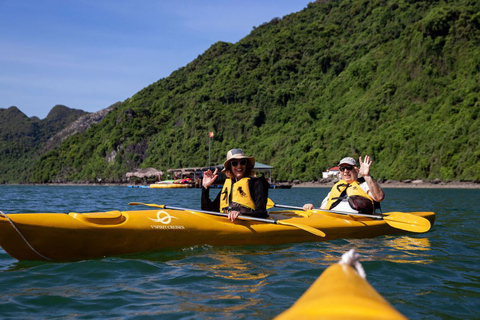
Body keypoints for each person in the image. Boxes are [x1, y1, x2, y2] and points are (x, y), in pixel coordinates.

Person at [201, 148, 270, 222]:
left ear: (246, 165)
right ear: (229, 167)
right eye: (235, 163)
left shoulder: (257, 183)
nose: (239, 166)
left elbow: (261, 213)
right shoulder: (228, 186)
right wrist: (205, 187)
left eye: (242, 162)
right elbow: (208, 211)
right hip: (227, 225)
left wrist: (241, 215)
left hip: (249, 225)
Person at [303, 155, 385, 214]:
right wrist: (311, 207)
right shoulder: (337, 187)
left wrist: (366, 176)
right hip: (332, 219)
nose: (345, 171)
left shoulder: (364, 185)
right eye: (342, 169)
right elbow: (322, 209)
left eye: (349, 168)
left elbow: (379, 197)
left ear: (356, 170)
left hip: (356, 221)